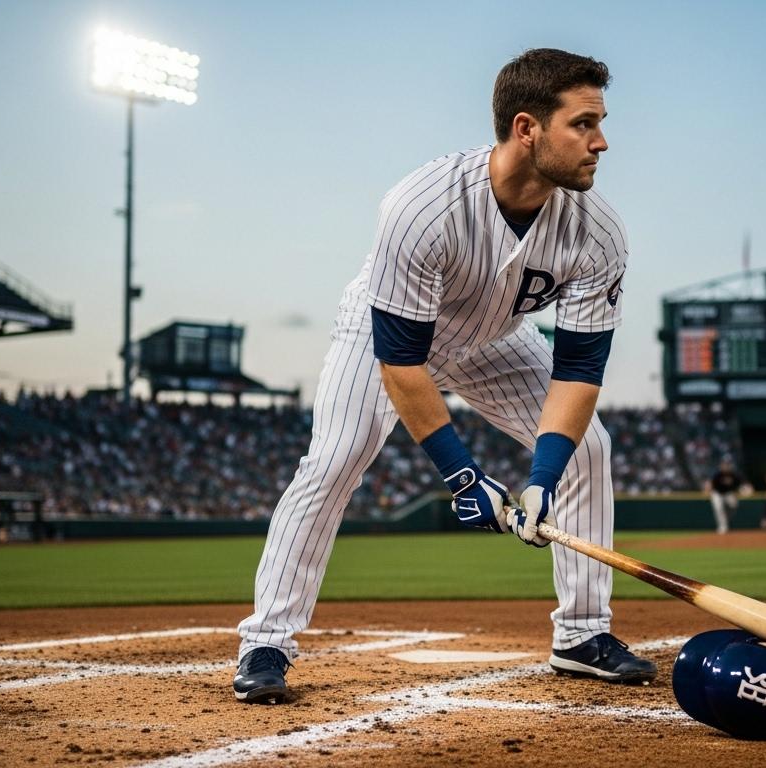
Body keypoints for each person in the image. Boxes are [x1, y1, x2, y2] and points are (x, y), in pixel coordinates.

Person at [233, 48, 652, 705]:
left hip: (492, 339)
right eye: (583, 123)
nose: (602, 141)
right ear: (526, 128)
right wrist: (462, 474)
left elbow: (577, 370)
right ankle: (266, 641)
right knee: (336, 459)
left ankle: (581, 634)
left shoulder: (597, 233)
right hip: (387, 334)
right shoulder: (424, 206)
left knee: (587, 448)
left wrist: (541, 478)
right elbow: (402, 362)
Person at [703, 459, 745, 534]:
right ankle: (723, 527)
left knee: (734, 505)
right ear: (721, 466)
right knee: (718, 509)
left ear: (729, 466)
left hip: (728, 493)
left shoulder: (733, 475)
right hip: (717, 494)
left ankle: (725, 520)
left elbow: (739, 484)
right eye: (723, 465)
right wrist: (708, 490)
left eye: (727, 465)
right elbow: (710, 484)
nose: (725, 467)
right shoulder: (717, 474)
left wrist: (742, 490)